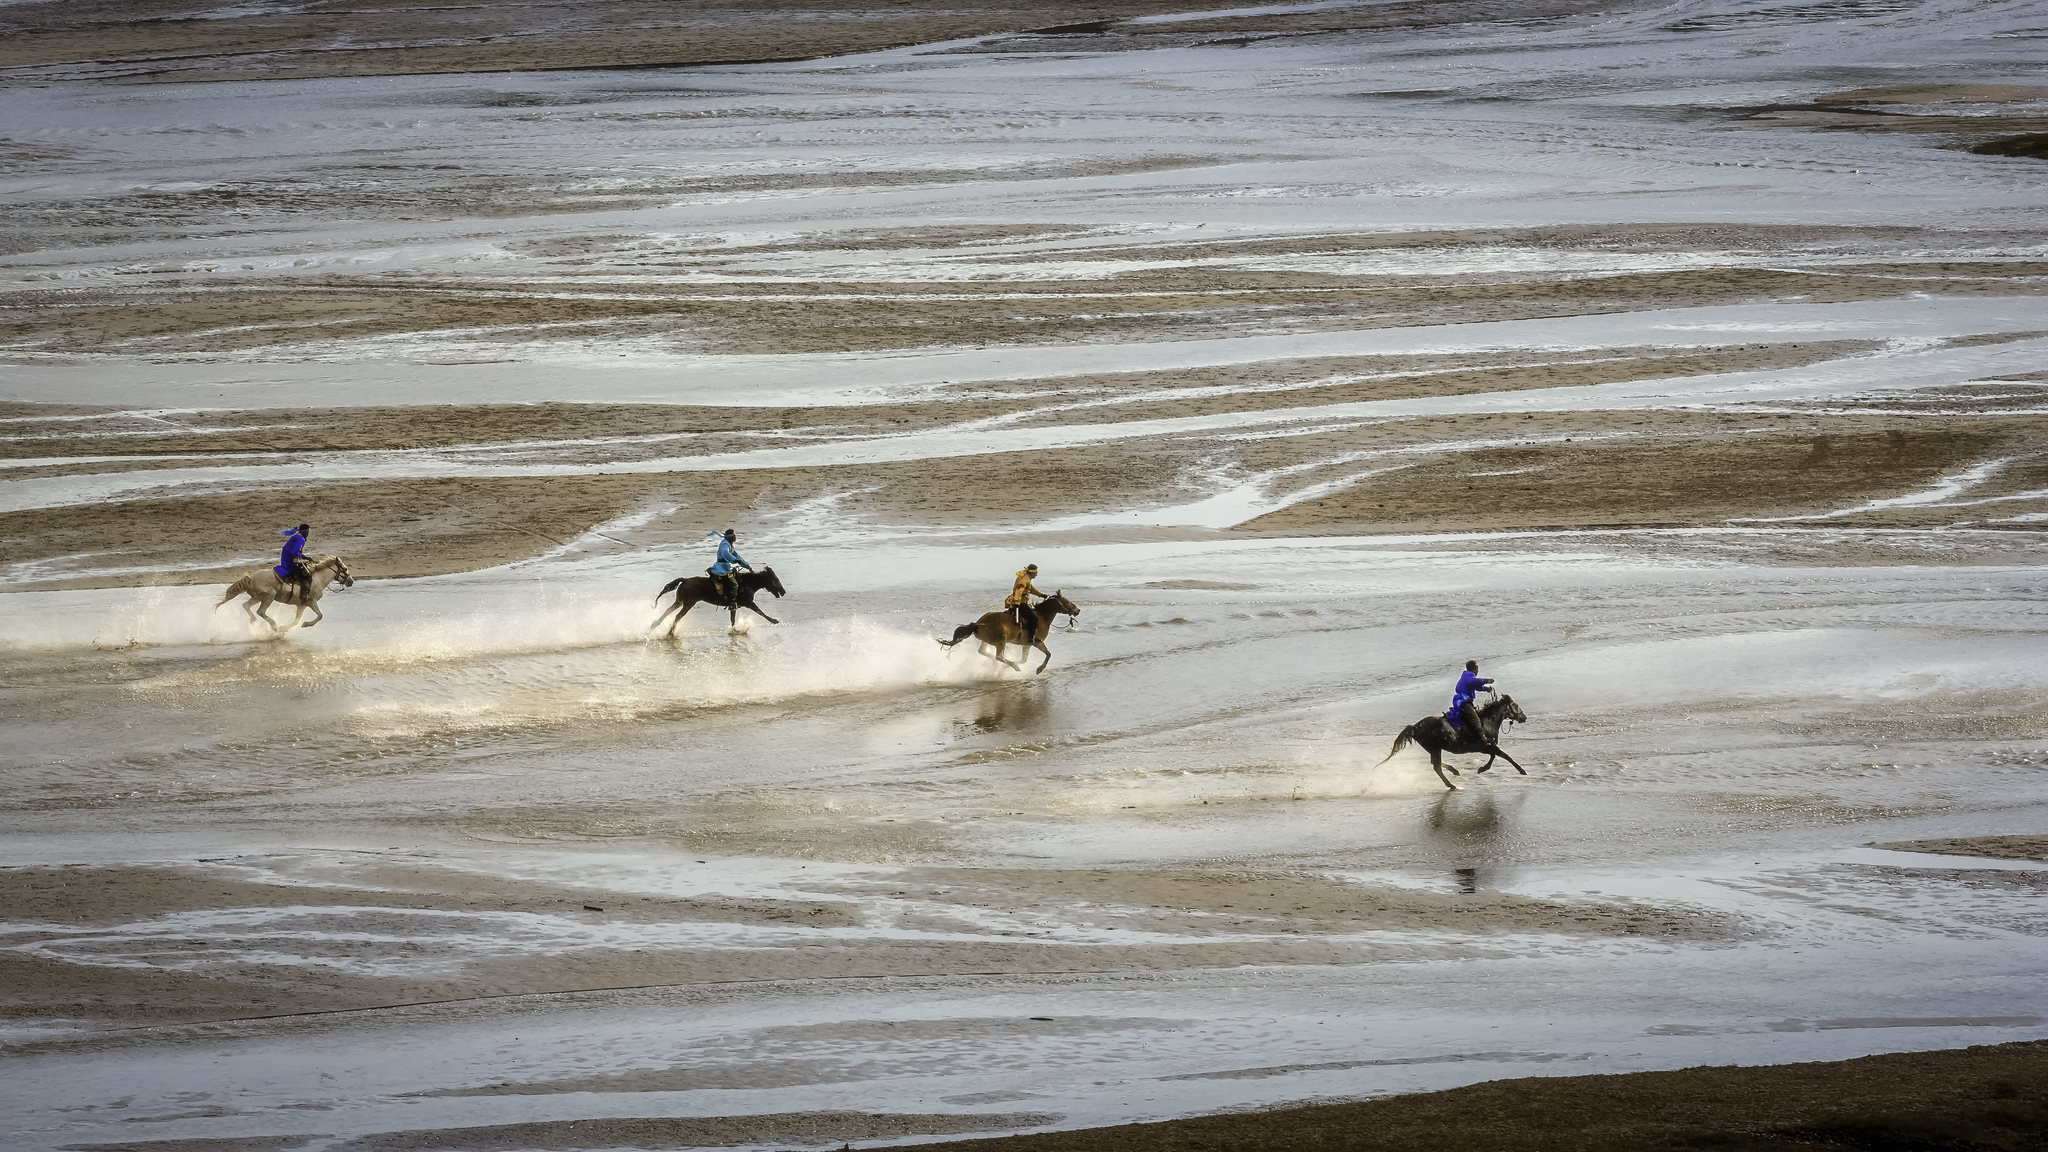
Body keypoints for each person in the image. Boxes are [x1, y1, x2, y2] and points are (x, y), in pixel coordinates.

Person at [1446, 659, 1493, 732]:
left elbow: (1476, 686)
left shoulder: (1467, 675)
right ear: (1474, 669)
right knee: (1476, 720)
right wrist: (1486, 680)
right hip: (1463, 701)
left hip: (1462, 700)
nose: (1478, 671)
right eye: (1477, 669)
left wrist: (1486, 689)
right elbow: (1473, 681)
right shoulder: (1469, 676)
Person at [707, 529, 750, 604]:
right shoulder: (725, 544)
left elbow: (738, 556)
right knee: (735, 584)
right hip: (721, 568)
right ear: (730, 537)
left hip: (726, 567)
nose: (735, 537)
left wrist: (747, 566)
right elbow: (725, 553)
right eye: (734, 536)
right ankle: (732, 602)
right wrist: (734, 560)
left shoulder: (730, 545)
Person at [275, 524, 312, 601]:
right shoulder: (301, 539)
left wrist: (305, 557)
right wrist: (298, 561)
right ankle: (303, 595)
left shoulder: (295, 537)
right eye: (308, 532)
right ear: (304, 532)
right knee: (307, 574)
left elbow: (295, 551)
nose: (308, 534)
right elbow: (294, 552)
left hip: (286, 558)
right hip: (290, 560)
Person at [1005, 563, 1044, 632]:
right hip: (1021, 603)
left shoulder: (1027, 578)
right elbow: (1019, 591)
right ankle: (1031, 639)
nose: (1037, 575)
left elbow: (1031, 589)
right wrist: (1017, 602)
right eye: (1036, 573)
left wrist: (1041, 595)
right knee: (1034, 618)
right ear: (1032, 573)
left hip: (1022, 601)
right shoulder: (1024, 580)